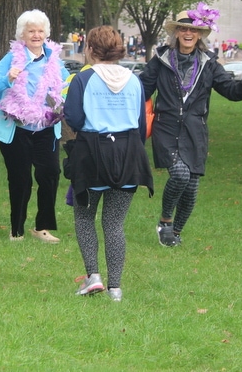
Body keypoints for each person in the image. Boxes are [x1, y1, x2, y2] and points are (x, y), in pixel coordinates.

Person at [140, 5, 242, 247]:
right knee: (179, 174)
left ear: (200, 34)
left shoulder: (209, 63)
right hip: (166, 128)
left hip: (195, 132)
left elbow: (232, 91)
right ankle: (165, 222)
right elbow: (142, 88)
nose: (189, 33)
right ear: (176, 32)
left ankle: (175, 233)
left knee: (192, 186)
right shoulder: (161, 59)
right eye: (184, 29)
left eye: (194, 30)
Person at [64, 26, 154, 301]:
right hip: (128, 154)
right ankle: (115, 288)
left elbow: (75, 119)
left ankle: (93, 276)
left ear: (90, 49)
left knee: (84, 217)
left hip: (92, 152)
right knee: (114, 224)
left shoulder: (83, 79)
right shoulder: (134, 80)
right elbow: (141, 125)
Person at [0, 10, 69, 243]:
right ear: (22, 34)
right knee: (21, 179)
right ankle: (17, 229)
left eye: (40, 31)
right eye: (31, 31)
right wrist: (7, 78)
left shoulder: (54, 60)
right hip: (17, 127)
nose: (36, 35)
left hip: (46, 127)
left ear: (46, 34)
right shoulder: (12, 58)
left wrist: (62, 100)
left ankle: (42, 227)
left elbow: (67, 86)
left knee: (50, 174)